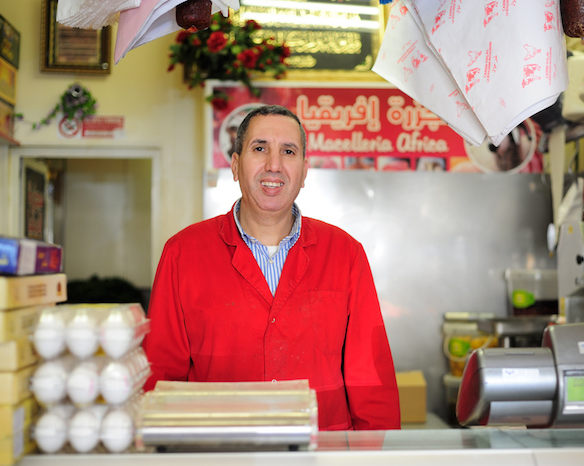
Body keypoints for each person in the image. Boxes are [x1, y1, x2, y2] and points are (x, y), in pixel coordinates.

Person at [143, 105, 401, 431]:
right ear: (235, 165)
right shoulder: (183, 253)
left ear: (304, 171)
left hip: (324, 450)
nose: (274, 165)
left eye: (288, 151)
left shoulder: (345, 253)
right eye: (260, 148)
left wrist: (380, 453)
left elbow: (371, 381)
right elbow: (161, 377)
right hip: (221, 448)